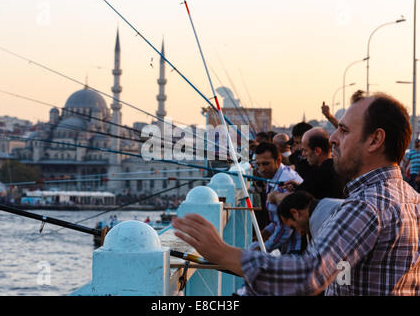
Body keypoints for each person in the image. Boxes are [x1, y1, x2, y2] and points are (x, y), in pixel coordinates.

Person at [173, 90, 420, 295]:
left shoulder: (366, 205)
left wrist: (223, 252)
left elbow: (310, 273)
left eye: (344, 131)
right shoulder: (412, 199)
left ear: (375, 140)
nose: (333, 138)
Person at [247, 142, 304, 254]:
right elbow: (277, 221)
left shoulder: (284, 183)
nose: (261, 169)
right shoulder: (277, 175)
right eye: (258, 165)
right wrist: (264, 233)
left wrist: (262, 248)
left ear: (278, 160)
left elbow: (285, 229)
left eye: (266, 164)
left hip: (296, 248)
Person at [283, 127, 346, 199]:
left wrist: (275, 196)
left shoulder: (319, 174)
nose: (303, 154)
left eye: (305, 150)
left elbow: (295, 200)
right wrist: (298, 187)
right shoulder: (340, 169)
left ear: (317, 151)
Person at [276, 190, 344, 241]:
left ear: (295, 213)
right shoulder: (329, 203)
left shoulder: (319, 225)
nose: (300, 233)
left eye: (293, 227)